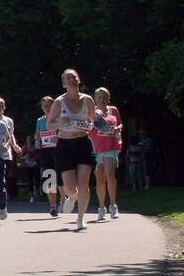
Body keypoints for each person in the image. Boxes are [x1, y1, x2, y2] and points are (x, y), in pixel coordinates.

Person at [47, 69, 96, 231]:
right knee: (69, 187)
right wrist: (60, 123)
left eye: (74, 77)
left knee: (84, 182)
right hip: (65, 145)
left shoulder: (88, 100)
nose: (72, 80)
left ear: (79, 80)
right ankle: (72, 196)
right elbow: (49, 124)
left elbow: (93, 122)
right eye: (68, 79)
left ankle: (81, 217)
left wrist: (89, 126)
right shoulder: (59, 103)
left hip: (83, 143)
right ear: (64, 84)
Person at [91, 86, 123, 219]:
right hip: (97, 148)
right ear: (95, 99)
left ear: (108, 99)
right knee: (100, 179)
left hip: (111, 147)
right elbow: (85, 126)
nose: (102, 99)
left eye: (104, 97)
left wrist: (117, 128)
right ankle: (102, 207)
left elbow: (121, 124)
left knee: (110, 175)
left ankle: (113, 205)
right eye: (99, 97)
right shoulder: (91, 111)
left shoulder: (113, 110)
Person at [35, 96, 63, 215]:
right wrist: (37, 141)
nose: (47, 108)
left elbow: (66, 130)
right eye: (45, 105)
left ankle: (63, 199)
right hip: (46, 152)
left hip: (59, 150)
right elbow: (37, 134)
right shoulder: (40, 120)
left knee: (61, 178)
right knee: (49, 177)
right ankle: (53, 206)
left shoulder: (59, 118)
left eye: (49, 105)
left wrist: (58, 136)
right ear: (42, 107)